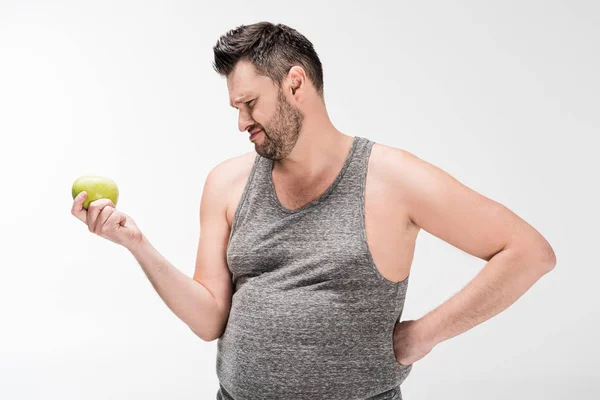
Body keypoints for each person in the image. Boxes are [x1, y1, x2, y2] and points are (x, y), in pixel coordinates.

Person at [71, 21, 556, 400]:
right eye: (235, 108)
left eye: (249, 103)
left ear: (295, 84)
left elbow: (528, 251)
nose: (241, 122)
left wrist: (423, 335)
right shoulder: (226, 183)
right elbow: (208, 321)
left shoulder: (391, 178)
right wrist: (136, 245)